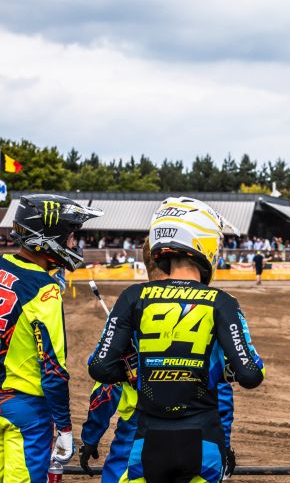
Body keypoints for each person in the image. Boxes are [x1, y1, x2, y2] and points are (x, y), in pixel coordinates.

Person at [88, 196, 264, 483]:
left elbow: (99, 366)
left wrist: (139, 369)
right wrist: (216, 369)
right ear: (204, 242)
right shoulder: (221, 302)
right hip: (204, 441)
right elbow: (251, 373)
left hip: (146, 440)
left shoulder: (133, 296)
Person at [80, 239, 238, 481]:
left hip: (135, 440)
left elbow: (104, 390)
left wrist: (91, 437)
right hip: (197, 436)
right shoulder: (206, 314)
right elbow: (221, 391)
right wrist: (223, 444)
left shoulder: (132, 312)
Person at [0, 194, 102, 482]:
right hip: (24, 413)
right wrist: (65, 427)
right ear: (48, 238)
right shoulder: (45, 291)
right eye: (70, 237)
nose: (74, 244)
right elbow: (54, 369)